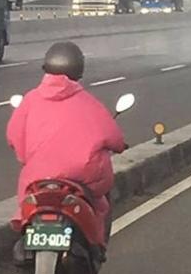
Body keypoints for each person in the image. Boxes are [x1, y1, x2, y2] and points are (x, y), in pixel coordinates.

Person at [7, 41, 127, 242]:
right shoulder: (89, 102)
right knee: (100, 202)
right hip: (81, 177)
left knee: (26, 200)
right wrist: (120, 146)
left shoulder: (31, 99)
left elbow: (14, 136)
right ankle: (96, 244)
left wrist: (27, 157)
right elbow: (114, 137)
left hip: (38, 176)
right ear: (79, 70)